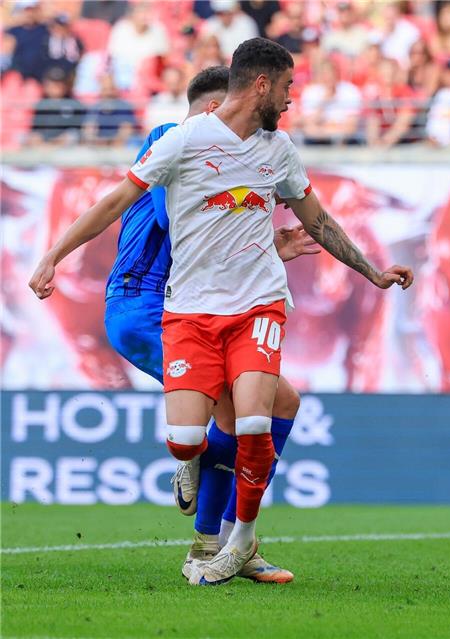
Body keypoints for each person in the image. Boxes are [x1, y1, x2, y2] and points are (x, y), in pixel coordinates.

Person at [28, 38, 414, 586]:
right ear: (258, 86)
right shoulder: (177, 141)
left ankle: (228, 541)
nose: (290, 100)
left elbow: (316, 220)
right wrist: (54, 256)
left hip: (251, 305)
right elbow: (141, 209)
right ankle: (210, 518)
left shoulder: (276, 149)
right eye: (286, 88)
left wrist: (370, 271)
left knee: (265, 413)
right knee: (214, 428)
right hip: (158, 304)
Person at [94, 65, 314, 584]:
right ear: (216, 109)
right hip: (147, 306)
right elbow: (179, 222)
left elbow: (208, 243)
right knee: (240, 418)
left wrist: (262, 241)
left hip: (171, 303)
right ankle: (216, 542)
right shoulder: (172, 138)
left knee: (277, 405)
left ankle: (225, 540)